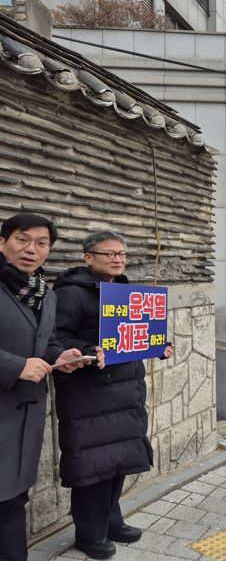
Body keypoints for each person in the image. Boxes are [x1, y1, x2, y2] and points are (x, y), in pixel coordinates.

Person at [53, 231, 174, 560]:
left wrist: (158, 345)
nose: (118, 259)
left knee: (117, 460)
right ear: (87, 257)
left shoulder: (125, 292)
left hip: (124, 389)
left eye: (121, 253)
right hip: (89, 393)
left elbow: (137, 332)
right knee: (94, 463)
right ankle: (89, 535)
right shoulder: (71, 294)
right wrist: (88, 351)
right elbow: (57, 338)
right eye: (108, 254)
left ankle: (110, 520)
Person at [0, 214, 96, 561]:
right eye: (22, 240)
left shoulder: (45, 294)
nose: (32, 249)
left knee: (12, 502)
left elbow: (47, 342)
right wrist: (15, 366)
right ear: (3, 243)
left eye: (42, 243)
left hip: (24, 419)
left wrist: (64, 356)